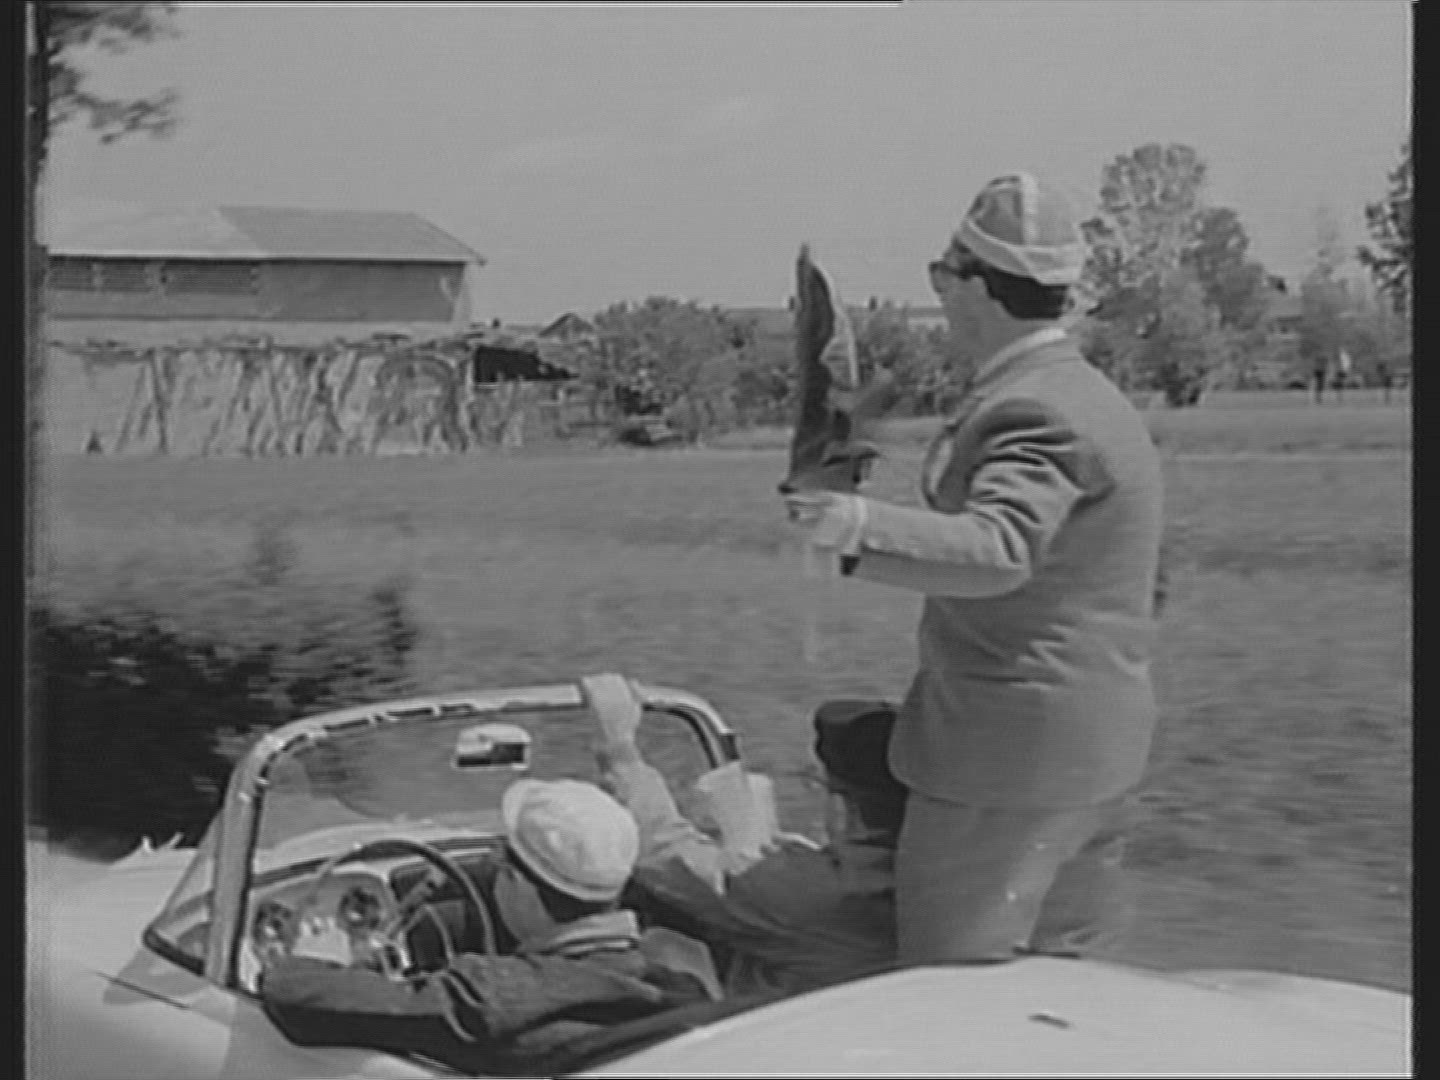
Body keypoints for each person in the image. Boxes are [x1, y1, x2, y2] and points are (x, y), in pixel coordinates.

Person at [782, 172, 1165, 966]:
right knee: (1065, 990)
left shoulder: (1034, 408)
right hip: (1096, 751)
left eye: (942, 274)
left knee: (952, 987)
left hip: (1005, 768)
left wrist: (848, 523)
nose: (940, 292)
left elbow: (999, 552)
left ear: (981, 287)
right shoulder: (1087, 396)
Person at [258, 778, 716, 1076]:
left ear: (522, 887)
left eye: (502, 864)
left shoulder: (491, 998)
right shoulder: (681, 989)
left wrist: (316, 958)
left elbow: (299, 999)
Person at [583, 672, 903, 995]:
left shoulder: (814, 897)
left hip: (790, 1024)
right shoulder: (924, 881)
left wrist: (618, 750)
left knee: (666, 950)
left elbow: (664, 856)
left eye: (814, 785)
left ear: (841, 806)